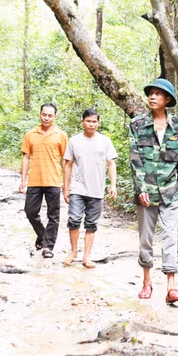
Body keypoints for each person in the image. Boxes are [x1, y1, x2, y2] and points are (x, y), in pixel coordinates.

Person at [128, 78, 178, 304]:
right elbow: (135, 159)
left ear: (168, 100)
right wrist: (141, 188)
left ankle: (171, 287)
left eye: (158, 94)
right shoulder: (137, 125)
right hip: (146, 194)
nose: (153, 97)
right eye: (151, 93)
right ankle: (147, 282)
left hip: (170, 191)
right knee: (146, 239)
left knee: (170, 237)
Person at [62, 108, 117, 268]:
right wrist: (66, 188)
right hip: (78, 188)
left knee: (91, 224)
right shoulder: (74, 141)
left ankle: (86, 256)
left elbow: (111, 163)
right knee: (73, 219)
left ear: (98, 123)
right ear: (83, 122)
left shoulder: (105, 141)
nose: (91, 124)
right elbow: (67, 165)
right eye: (88, 121)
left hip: (97, 189)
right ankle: (73, 251)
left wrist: (113, 186)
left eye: (94, 121)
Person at [19, 103, 69, 258]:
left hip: (53, 181)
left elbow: (66, 161)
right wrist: (23, 180)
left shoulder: (61, 135)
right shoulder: (30, 134)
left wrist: (66, 184)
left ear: (54, 117)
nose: (47, 118)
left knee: (53, 216)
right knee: (30, 212)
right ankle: (42, 236)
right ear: (40, 114)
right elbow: (26, 157)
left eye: (50, 115)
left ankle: (48, 247)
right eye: (44, 115)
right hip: (34, 180)